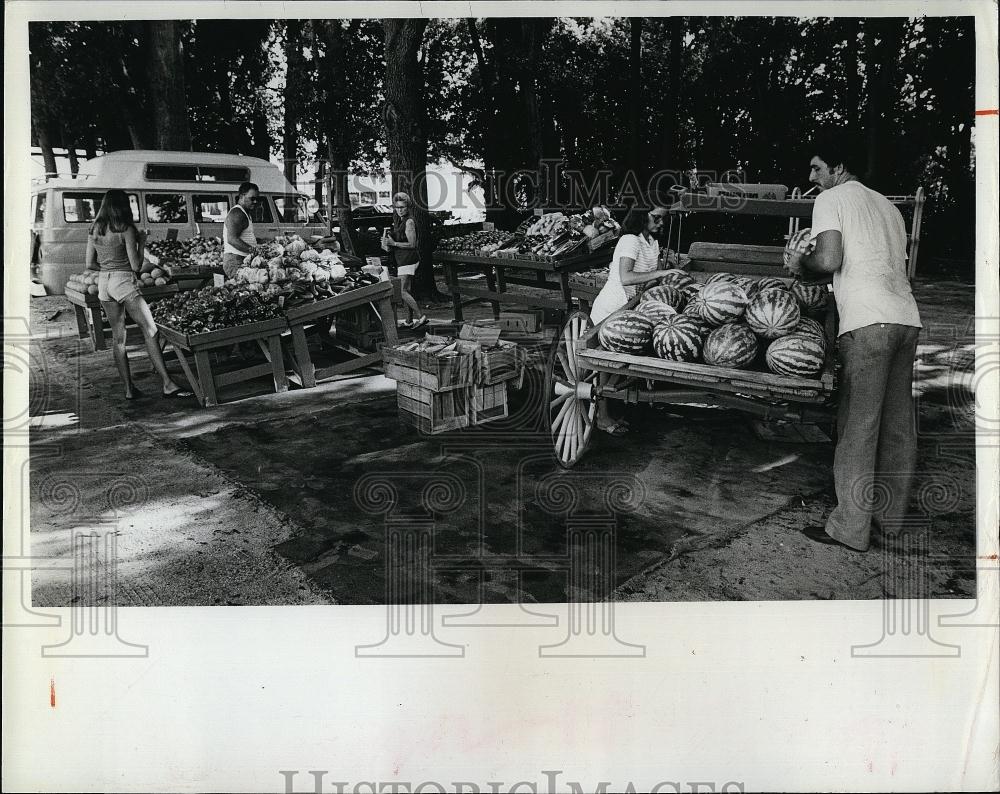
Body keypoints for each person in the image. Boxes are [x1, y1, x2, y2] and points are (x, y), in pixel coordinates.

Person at [784, 134, 922, 552]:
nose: (811, 177)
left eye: (816, 168)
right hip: (906, 319)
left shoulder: (832, 199)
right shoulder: (889, 207)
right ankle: (889, 523)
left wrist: (796, 264)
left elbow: (829, 260)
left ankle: (849, 529)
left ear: (837, 167)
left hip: (866, 323)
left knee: (858, 426)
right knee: (898, 426)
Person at [85, 190, 193, 401]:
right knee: (150, 330)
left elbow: (89, 264)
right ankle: (168, 384)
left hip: (104, 284)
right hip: (122, 281)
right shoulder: (126, 228)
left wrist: (108, 267)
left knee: (118, 338)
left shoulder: (95, 229)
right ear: (124, 206)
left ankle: (128, 389)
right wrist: (141, 242)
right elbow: (135, 266)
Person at [589, 204, 670, 435]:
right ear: (642, 215)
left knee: (617, 365)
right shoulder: (629, 241)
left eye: (662, 218)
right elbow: (626, 278)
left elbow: (650, 279)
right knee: (604, 367)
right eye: (656, 218)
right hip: (612, 308)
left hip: (631, 309)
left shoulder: (652, 243)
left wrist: (666, 277)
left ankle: (613, 406)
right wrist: (661, 274)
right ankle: (602, 417)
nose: (660, 223)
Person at [382, 191, 426, 329]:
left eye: (402, 207)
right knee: (407, 290)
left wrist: (393, 243)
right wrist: (387, 243)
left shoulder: (409, 222)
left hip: (409, 259)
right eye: (397, 207)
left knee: (401, 291)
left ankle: (421, 316)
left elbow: (412, 245)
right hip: (402, 260)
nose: (399, 210)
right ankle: (409, 320)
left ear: (408, 207)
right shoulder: (401, 221)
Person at [223, 182, 261, 280]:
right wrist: (254, 250)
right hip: (236, 261)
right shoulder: (237, 213)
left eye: (257, 199)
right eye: (252, 198)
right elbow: (232, 239)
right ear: (241, 196)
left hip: (242, 260)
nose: (255, 201)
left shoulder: (245, 213)